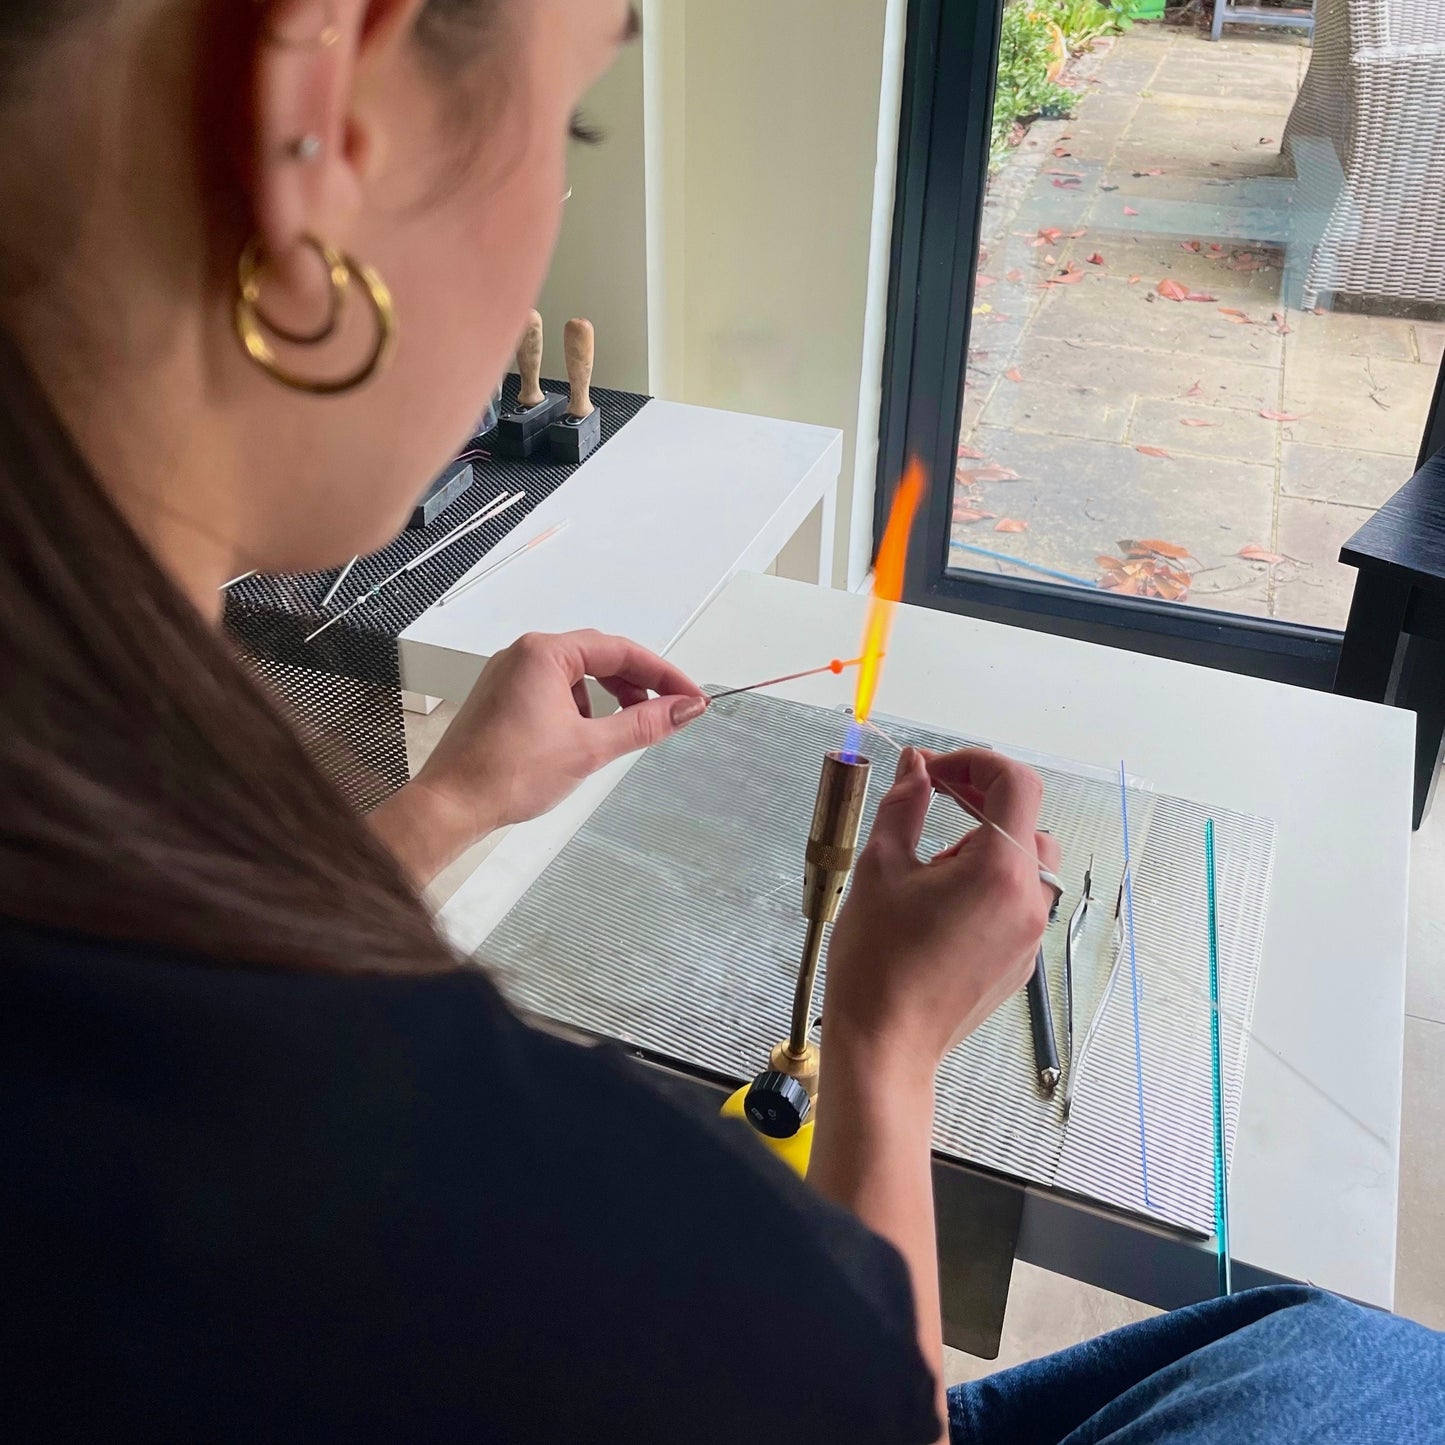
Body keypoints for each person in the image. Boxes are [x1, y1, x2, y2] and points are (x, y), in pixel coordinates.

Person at [0, 2, 1439, 1442]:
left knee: (1327, 1346)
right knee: (1381, 1375)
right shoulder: (581, 1231)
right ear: (327, 112)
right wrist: (882, 1049)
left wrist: (443, 803)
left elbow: (228, 982)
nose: (547, 234)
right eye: (572, 120)